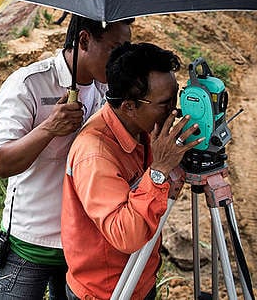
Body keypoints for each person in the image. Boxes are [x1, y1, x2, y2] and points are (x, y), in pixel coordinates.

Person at [0, 15, 133, 300]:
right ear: (84, 40)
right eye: (115, 49)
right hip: (29, 247)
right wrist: (49, 128)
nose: (121, 59)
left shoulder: (109, 90)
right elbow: (3, 163)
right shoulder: (28, 84)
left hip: (83, 249)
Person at [61, 42, 201, 300]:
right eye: (164, 103)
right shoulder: (96, 154)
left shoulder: (143, 129)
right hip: (107, 291)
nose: (174, 110)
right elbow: (125, 235)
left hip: (140, 277)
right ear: (129, 106)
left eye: (175, 97)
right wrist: (158, 171)